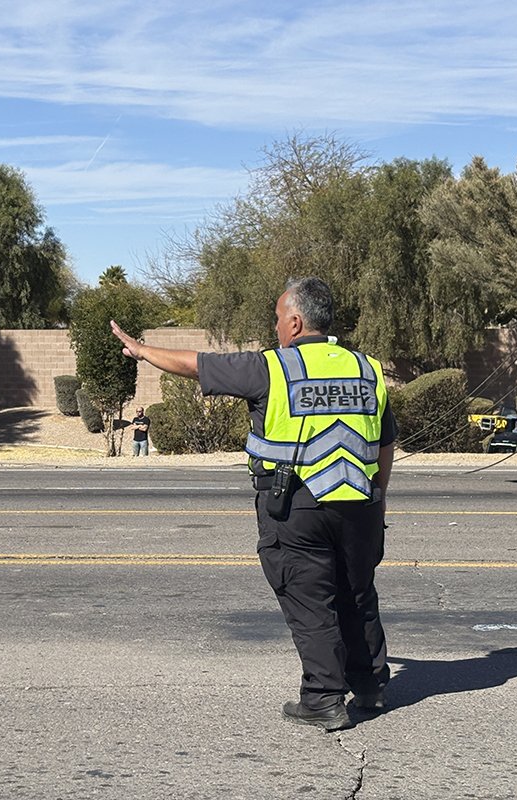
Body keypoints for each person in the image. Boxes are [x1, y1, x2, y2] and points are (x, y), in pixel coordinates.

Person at [110, 276, 395, 732]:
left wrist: (143, 351)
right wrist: (378, 502)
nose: (276, 326)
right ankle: (370, 686)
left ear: (297, 321)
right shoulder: (367, 369)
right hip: (359, 501)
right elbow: (384, 444)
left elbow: (195, 365)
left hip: (298, 504)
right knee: (356, 593)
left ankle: (323, 698)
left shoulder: (273, 368)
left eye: (279, 318)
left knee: (310, 599)